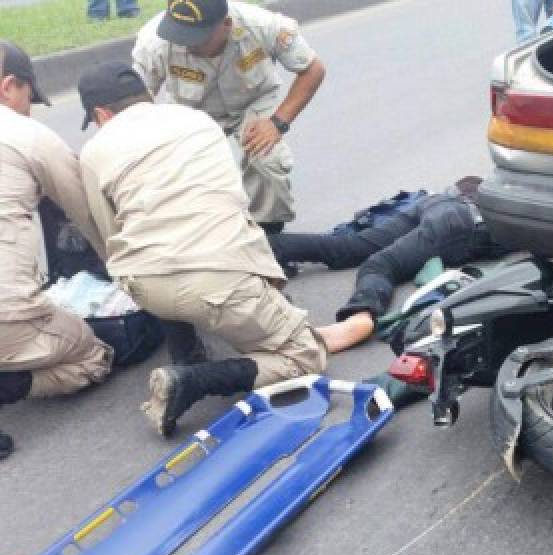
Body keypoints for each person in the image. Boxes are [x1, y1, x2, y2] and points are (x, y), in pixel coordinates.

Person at [76, 62, 326, 437]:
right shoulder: (197, 121)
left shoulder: (95, 150)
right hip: (219, 280)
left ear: (100, 114)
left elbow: (110, 235)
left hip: (146, 283)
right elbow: (233, 208)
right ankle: (193, 378)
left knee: (151, 247)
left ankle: (185, 349)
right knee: (305, 357)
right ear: (146, 96)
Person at [0, 41, 115, 460]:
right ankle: (9, 384)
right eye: (28, 96)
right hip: (5, 317)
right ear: (9, 85)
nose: (28, 106)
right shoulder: (24, 132)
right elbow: (88, 214)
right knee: (93, 357)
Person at [131, 0, 326, 234]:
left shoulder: (262, 25)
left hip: (252, 102)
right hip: (190, 111)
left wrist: (277, 123)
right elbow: (137, 101)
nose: (185, 42)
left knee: (268, 157)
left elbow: (313, 69)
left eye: (197, 36)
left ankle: (270, 232)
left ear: (226, 24)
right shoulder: (155, 41)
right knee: (180, 175)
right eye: (180, 34)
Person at [268, 178, 507, 353]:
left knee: (345, 247)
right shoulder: (534, 208)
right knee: (380, 266)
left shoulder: (512, 181)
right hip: (459, 222)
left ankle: (262, 246)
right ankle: (360, 316)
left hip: (438, 201)